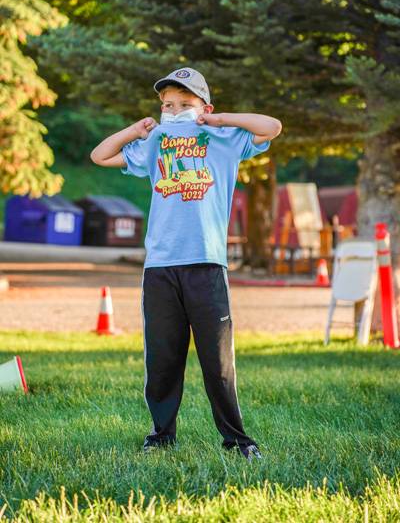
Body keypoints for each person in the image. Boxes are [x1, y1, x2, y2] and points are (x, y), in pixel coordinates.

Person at [90, 67, 282, 460]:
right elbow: (100, 155)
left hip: (207, 264)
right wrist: (135, 130)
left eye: (184, 103)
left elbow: (272, 127)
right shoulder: (156, 141)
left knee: (218, 362)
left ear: (204, 107)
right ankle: (161, 436)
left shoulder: (225, 138)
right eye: (167, 105)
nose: (174, 110)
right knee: (163, 359)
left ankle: (238, 440)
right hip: (161, 266)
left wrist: (220, 119)